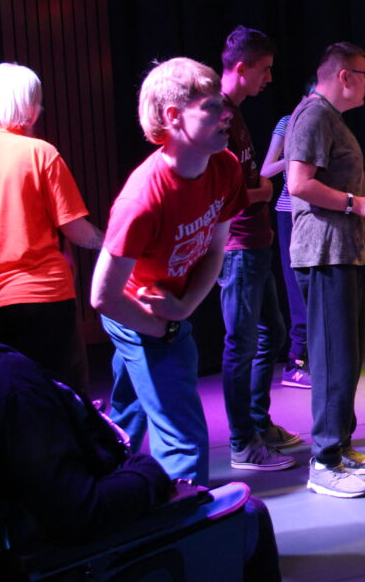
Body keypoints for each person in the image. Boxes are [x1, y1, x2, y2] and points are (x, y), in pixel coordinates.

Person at [0, 222, 281, 580]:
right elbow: (80, 513)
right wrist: (150, 473)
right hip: (60, 556)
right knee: (250, 514)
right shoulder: (7, 379)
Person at [91, 57, 247, 485]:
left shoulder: (226, 168)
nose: (227, 113)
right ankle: (189, 525)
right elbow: (103, 296)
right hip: (136, 313)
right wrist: (163, 329)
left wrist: (181, 309)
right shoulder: (141, 199)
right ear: (174, 117)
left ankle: (106, 486)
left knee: (127, 414)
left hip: (171, 309)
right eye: (212, 107)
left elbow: (216, 250)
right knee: (184, 437)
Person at [0, 62, 105, 393]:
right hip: (45, 298)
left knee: (5, 401)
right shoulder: (41, 153)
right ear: (29, 108)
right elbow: (77, 231)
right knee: (62, 398)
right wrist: (110, 243)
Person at [286, 42, 365, 498]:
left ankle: (341, 445)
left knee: (347, 357)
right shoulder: (312, 115)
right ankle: (324, 462)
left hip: (346, 251)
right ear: (343, 76)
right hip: (325, 253)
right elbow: (298, 183)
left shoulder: (331, 118)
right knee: (331, 360)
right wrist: (357, 203)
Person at [217, 26, 300, 473]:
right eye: (264, 70)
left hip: (257, 243)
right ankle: (242, 443)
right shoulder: (219, 116)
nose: (269, 79)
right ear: (242, 67)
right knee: (241, 344)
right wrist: (262, 192)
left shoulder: (237, 112)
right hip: (239, 249)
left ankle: (257, 422)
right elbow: (214, 195)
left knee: (272, 335)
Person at [260, 89, 312, 389]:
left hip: (319, 212)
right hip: (290, 211)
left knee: (316, 289)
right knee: (296, 288)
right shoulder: (287, 122)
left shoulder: (327, 121)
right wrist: (293, 157)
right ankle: (296, 363)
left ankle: (316, 360)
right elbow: (267, 169)